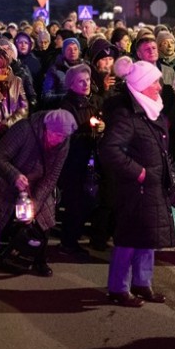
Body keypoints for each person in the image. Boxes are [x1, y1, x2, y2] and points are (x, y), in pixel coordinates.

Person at [100, 59, 175, 307]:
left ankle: (142, 283)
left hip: (154, 185)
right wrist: (139, 172)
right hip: (135, 188)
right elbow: (110, 149)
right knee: (129, 238)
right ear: (142, 85)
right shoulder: (127, 116)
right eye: (155, 82)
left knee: (148, 236)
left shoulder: (151, 110)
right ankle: (118, 287)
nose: (159, 86)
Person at [0, 109, 77, 277]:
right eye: (55, 135)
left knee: (45, 216)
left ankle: (39, 259)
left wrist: (35, 204)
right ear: (46, 127)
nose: (58, 140)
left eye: (63, 137)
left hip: (36, 184)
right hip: (8, 179)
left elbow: (51, 177)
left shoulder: (64, 142)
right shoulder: (24, 129)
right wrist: (14, 175)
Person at [57, 63, 104, 256]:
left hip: (93, 158)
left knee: (89, 200)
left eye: (87, 80)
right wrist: (86, 128)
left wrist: (102, 127)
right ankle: (68, 242)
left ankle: (76, 237)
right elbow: (65, 134)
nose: (86, 84)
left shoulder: (96, 101)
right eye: (80, 81)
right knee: (75, 202)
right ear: (71, 84)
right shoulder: (67, 105)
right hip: (75, 160)